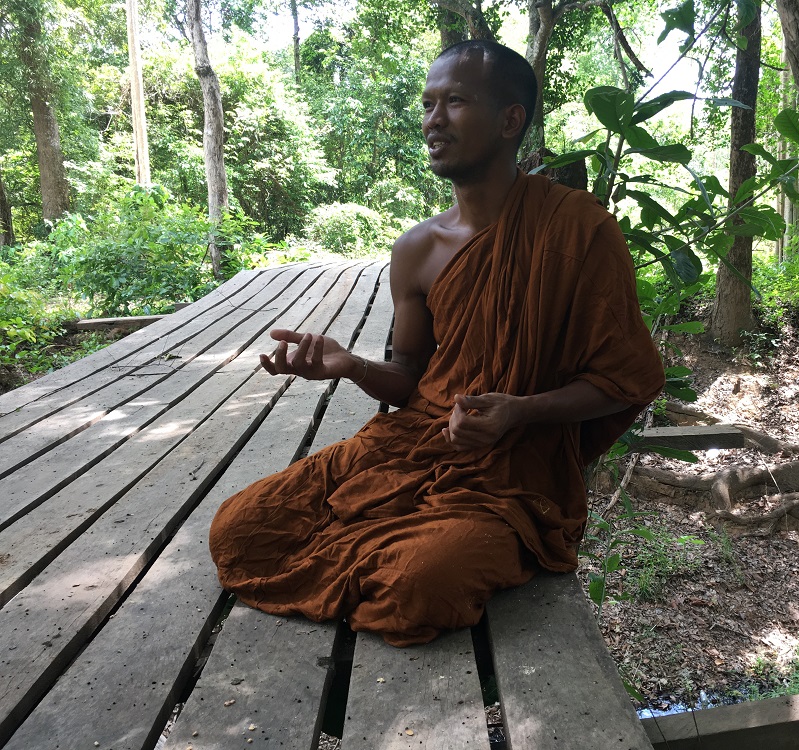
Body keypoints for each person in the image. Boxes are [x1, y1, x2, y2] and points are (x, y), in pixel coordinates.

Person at [209, 40, 665, 647]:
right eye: (427, 104)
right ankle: (390, 549)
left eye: (454, 102)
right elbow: (407, 379)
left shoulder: (579, 230)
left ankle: (436, 548)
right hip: (412, 441)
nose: (432, 119)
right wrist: (351, 366)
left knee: (419, 585)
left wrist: (521, 412)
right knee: (239, 529)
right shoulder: (417, 249)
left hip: (517, 468)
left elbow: (626, 380)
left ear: (510, 120)